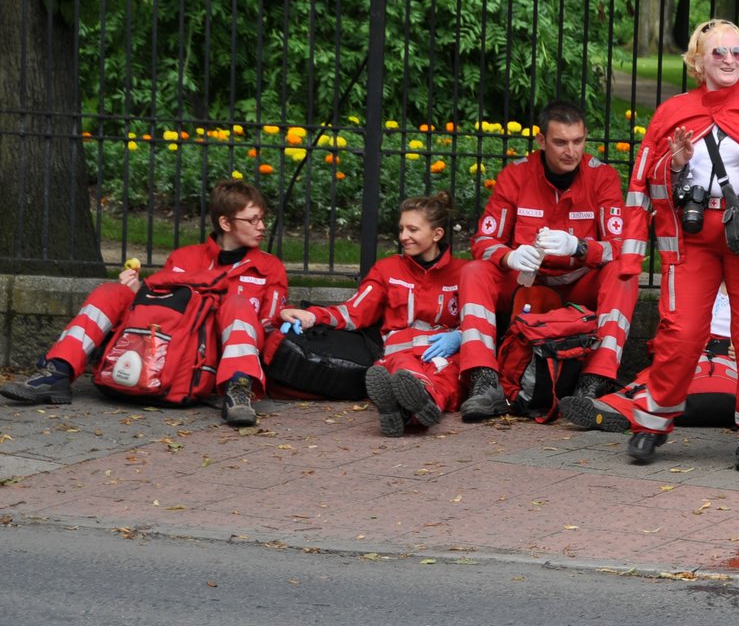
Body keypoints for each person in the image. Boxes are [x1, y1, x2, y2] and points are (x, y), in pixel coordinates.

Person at [617, 18, 739, 471]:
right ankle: (651, 421)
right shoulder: (673, 111)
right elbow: (644, 180)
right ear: (698, 61)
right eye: (719, 53)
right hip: (693, 237)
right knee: (680, 332)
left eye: (738, 52)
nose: (730, 60)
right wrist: (676, 165)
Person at [1, 180, 286, 428]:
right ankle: (57, 372)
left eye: (262, 219)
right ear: (226, 223)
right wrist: (138, 292)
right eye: (252, 220)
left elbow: (267, 328)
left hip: (212, 363)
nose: (261, 227)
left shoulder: (269, 267)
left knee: (235, 303)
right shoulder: (185, 258)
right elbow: (160, 309)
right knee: (111, 292)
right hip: (167, 351)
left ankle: (238, 390)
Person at [455, 102, 638, 421]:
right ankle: (484, 382)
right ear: (541, 141)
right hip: (528, 285)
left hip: (580, 286)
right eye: (560, 142)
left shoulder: (602, 177)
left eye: (578, 141)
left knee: (625, 273)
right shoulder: (516, 175)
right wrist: (508, 255)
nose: (571, 151)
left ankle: (593, 384)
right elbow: (482, 242)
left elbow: (620, 246)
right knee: (474, 272)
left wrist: (580, 247)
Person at [279, 193, 465, 437]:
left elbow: (477, 318)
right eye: (401, 229)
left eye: (412, 229)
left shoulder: (463, 272)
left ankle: (402, 410)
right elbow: (354, 311)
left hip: (444, 354)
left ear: (437, 234)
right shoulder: (387, 269)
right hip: (401, 353)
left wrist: (460, 336)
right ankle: (418, 408)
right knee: (402, 372)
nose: (403, 237)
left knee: (449, 376)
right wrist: (312, 316)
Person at [562, 289, 739, 440]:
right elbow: (660, 341)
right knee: (658, 381)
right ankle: (611, 410)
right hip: (697, 359)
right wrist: (684, 347)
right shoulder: (694, 283)